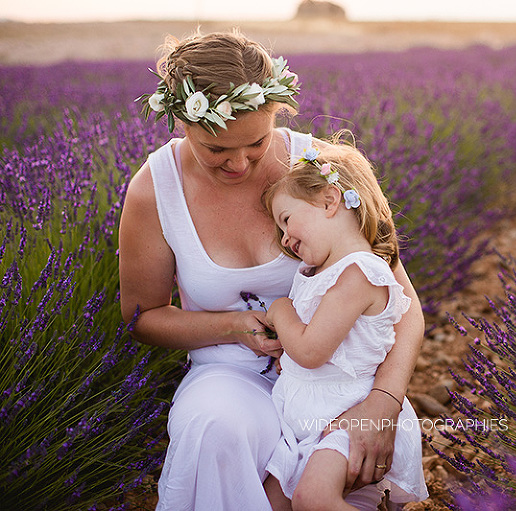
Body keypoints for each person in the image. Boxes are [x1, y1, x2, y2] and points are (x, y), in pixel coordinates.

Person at [118, 29, 425, 510]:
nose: (239, 164)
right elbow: (142, 316)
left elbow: (403, 306)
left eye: (256, 142)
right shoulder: (154, 189)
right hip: (229, 375)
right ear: (181, 120)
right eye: (216, 149)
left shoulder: (324, 172)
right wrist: (234, 327)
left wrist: (383, 402)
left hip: (340, 383)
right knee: (215, 426)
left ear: (277, 111)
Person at [261, 141, 429, 510]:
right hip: (311, 417)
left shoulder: (359, 273)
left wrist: (280, 310)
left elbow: (310, 351)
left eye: (286, 220)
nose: (284, 238)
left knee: (313, 499)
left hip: (349, 414)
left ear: (329, 201)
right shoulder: (321, 272)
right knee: (272, 502)